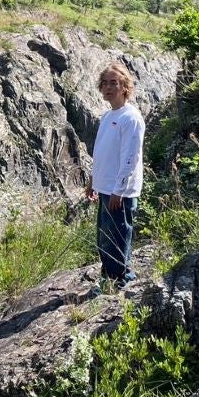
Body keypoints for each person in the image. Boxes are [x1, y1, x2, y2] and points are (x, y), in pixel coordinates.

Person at [86, 61, 145, 288]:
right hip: (105, 188)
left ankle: (120, 282)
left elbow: (130, 159)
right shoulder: (108, 116)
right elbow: (103, 153)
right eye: (105, 83)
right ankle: (110, 279)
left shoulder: (130, 118)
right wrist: (93, 181)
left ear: (125, 87)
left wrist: (119, 191)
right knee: (104, 238)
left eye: (114, 83)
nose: (109, 88)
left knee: (117, 238)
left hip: (119, 192)